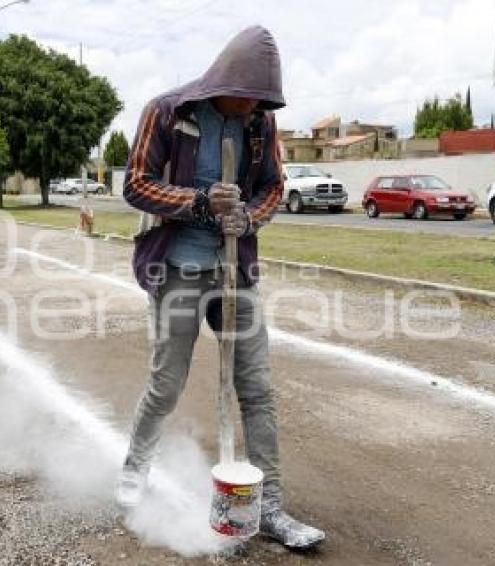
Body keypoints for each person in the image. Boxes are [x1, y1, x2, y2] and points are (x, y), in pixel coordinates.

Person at [116, 26, 325, 550]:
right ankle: (134, 472)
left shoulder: (259, 122)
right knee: (166, 383)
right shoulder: (167, 111)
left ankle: (269, 504)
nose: (250, 107)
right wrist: (202, 202)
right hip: (178, 268)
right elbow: (135, 183)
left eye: (260, 101)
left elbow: (273, 186)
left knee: (255, 387)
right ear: (222, 80)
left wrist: (249, 218)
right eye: (244, 97)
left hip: (236, 272)